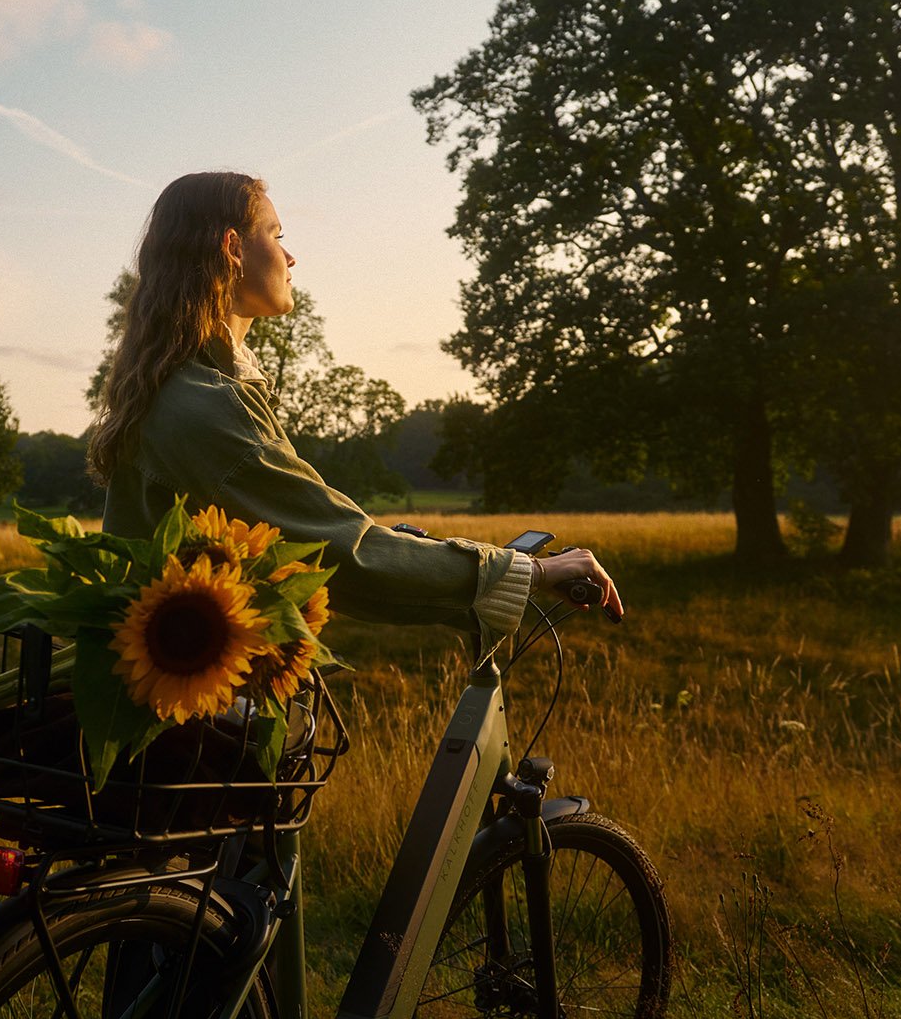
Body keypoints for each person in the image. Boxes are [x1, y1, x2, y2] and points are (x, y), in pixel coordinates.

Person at [88, 171, 624, 659]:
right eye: (275, 236)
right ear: (232, 247)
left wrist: (445, 573)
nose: (290, 257)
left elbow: (312, 543)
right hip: (179, 706)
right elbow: (340, 552)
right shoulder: (207, 403)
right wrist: (530, 570)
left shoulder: (183, 385)